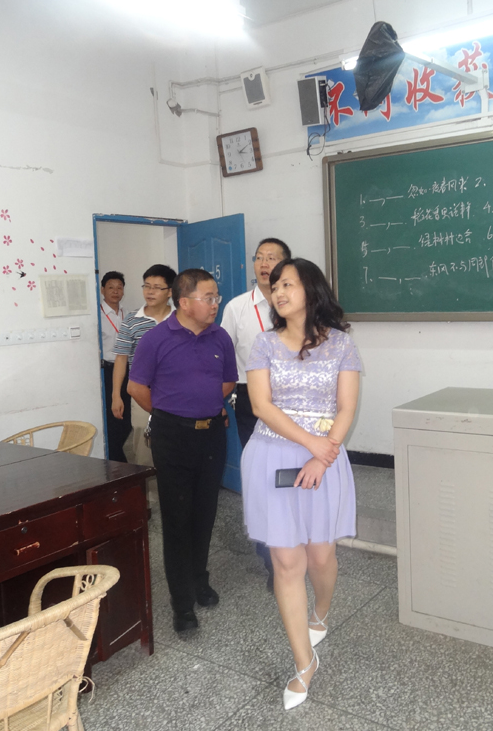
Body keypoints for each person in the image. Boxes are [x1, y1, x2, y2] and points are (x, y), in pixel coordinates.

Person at [241, 258, 361, 710]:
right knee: (287, 562)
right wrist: (311, 445)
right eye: (274, 286)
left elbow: (346, 407)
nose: (278, 292)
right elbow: (261, 405)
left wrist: (322, 453)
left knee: (320, 555)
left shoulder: (342, 345)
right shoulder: (264, 344)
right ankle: (304, 661)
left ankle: (321, 611)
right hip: (273, 455)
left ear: (311, 289)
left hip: (323, 460)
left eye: (287, 284)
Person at [128, 268, 237, 633]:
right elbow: (136, 388)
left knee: (205, 513)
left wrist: (202, 403)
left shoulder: (220, 337)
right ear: (185, 302)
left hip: (212, 435)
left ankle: (199, 579)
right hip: (172, 437)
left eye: (217, 297)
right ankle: (181, 602)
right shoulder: (156, 339)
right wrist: (171, 412)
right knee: (177, 518)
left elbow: (227, 382)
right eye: (209, 298)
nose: (216, 304)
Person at [220, 237, 291, 591]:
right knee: (262, 476)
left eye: (272, 257)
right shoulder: (237, 307)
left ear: (286, 264)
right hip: (250, 398)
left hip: (292, 397)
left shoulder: (295, 302)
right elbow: (222, 356)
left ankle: (292, 544)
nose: (264, 263)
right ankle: (270, 558)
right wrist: (223, 398)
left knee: (290, 473)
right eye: (259, 257)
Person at [111, 264, 175, 467]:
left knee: (175, 444)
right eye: (146, 286)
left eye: (157, 287)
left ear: (170, 291)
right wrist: (116, 395)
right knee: (143, 448)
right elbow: (121, 358)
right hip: (141, 391)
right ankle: (149, 487)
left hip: (176, 392)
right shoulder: (131, 320)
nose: (150, 291)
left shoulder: (181, 318)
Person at [99, 271, 130, 462]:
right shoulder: (98, 315)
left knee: (127, 416)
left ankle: (126, 459)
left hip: (129, 370)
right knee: (113, 417)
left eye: (119, 287)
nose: (115, 291)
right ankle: (116, 461)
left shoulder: (128, 314)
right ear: (102, 290)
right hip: (108, 370)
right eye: (111, 287)